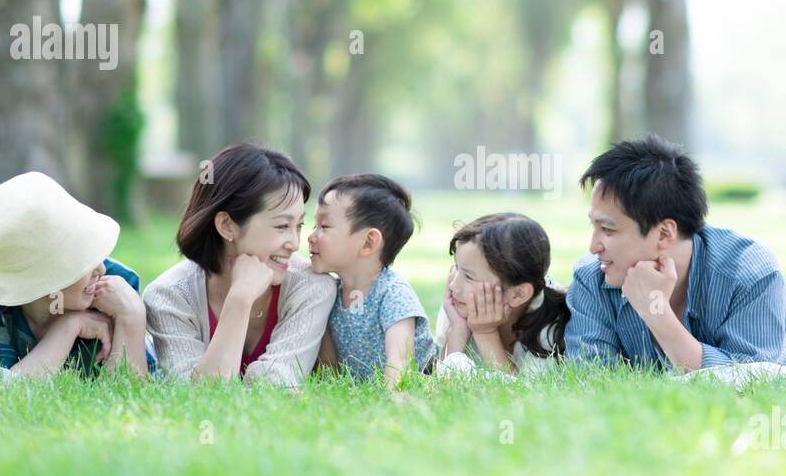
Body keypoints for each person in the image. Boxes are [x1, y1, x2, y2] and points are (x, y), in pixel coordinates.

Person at [564, 135, 786, 377]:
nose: (594, 246)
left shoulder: (751, 273)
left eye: (608, 230)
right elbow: (593, 379)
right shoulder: (592, 278)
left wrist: (657, 315)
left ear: (665, 234)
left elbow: (746, 381)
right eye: (594, 226)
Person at [144, 142, 335, 386]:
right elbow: (198, 396)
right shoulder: (168, 297)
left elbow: (274, 386)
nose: (294, 244)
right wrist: (240, 300)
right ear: (226, 226)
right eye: (281, 226)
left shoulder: (311, 288)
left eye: (298, 225)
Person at [0, 171, 153, 377]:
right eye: (81, 261)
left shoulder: (114, 288)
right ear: (42, 278)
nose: (100, 269)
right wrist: (69, 327)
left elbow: (124, 393)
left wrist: (132, 316)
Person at [307, 173, 436, 387]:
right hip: (363, 385)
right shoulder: (329, 292)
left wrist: (390, 396)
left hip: (424, 377)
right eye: (314, 225)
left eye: (324, 226)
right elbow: (329, 370)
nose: (311, 236)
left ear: (368, 242)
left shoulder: (393, 293)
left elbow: (400, 361)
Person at [435, 212, 570, 377]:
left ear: (518, 294)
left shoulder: (550, 323)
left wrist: (485, 333)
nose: (454, 285)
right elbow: (444, 381)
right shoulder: (458, 307)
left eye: (469, 276)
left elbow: (522, 395)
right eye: (456, 267)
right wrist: (458, 330)